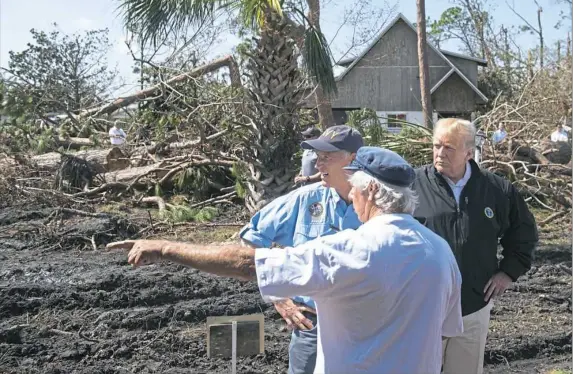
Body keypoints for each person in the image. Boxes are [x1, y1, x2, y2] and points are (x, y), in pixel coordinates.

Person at [106, 146, 463, 374]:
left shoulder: (351, 249)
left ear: (370, 190)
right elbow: (445, 332)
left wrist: (166, 248)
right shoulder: (440, 252)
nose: (350, 194)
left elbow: (249, 262)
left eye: (354, 186)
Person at [413, 118, 538, 374]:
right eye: (437, 145)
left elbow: (523, 234)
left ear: (469, 153)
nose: (440, 153)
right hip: (423, 309)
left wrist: (508, 272)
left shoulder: (497, 190)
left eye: (449, 147)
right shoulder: (414, 186)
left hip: (472, 306)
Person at [241, 124, 364, 374]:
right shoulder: (304, 199)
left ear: (353, 159)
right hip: (311, 326)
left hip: (364, 328)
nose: (318, 165)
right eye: (318, 157)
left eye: (327, 157)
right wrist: (279, 297)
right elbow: (251, 238)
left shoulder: (377, 203)